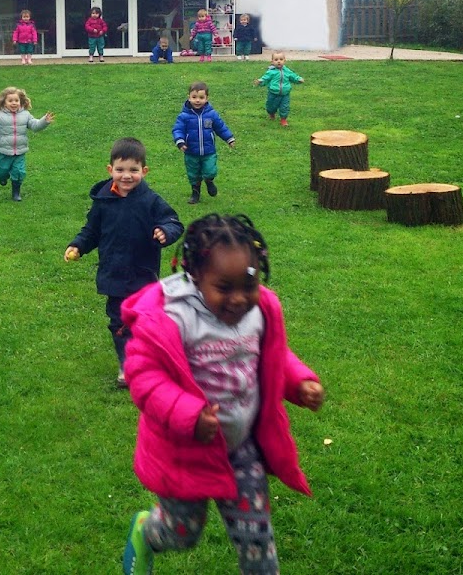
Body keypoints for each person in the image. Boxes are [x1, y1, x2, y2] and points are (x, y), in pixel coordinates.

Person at [119, 213, 326, 575]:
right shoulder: (171, 317)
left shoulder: (259, 312)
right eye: (224, 287)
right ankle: (146, 531)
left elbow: (272, 356)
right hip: (185, 451)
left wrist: (299, 382)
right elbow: (145, 377)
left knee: (256, 538)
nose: (239, 299)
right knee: (182, 533)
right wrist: (189, 414)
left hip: (241, 447)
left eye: (249, 285)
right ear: (195, 276)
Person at [65, 138, 184, 387]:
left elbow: (173, 221)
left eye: (133, 170)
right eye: (120, 170)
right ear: (110, 170)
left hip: (143, 273)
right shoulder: (103, 202)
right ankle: (127, 365)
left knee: (144, 322)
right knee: (119, 322)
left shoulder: (151, 201)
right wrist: (78, 245)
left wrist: (165, 231)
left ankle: (152, 357)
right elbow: (92, 231)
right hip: (114, 274)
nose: (126, 176)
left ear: (144, 171)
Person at [0, 86, 54, 202]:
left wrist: (44, 121)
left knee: (19, 172)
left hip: (19, 151)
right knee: (1, 171)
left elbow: (35, 125)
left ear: (21, 101)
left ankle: (16, 193)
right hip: (2, 152)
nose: (14, 103)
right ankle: (2, 177)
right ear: (4, 102)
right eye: (10, 101)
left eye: (16, 100)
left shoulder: (25, 115)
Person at [172, 81, 236, 204]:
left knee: (210, 170)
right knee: (193, 174)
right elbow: (178, 129)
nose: (197, 100)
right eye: (194, 97)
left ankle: (209, 181)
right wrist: (180, 141)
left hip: (209, 151)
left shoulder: (211, 114)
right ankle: (195, 193)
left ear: (207, 98)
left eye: (201, 97)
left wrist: (229, 138)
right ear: (189, 97)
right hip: (191, 152)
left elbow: (220, 127)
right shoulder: (184, 116)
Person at [254, 52, 306, 128]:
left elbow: (293, 76)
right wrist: (260, 81)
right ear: (272, 62)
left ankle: (283, 119)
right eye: (276, 60)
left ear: (284, 61)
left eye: (281, 59)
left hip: (285, 94)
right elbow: (265, 78)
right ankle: (271, 113)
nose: (279, 61)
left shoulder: (287, 71)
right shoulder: (271, 72)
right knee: (271, 106)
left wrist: (298, 79)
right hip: (273, 93)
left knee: (284, 107)